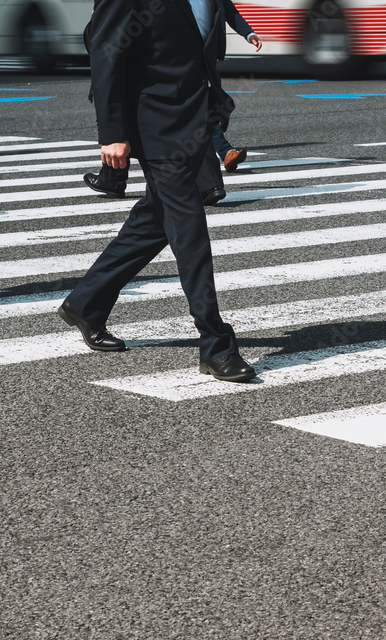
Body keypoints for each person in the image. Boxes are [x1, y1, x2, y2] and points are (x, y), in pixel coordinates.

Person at [60, 0, 256, 383]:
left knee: (155, 218)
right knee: (190, 229)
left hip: (197, 117)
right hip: (155, 125)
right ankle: (216, 343)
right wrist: (112, 134)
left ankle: (86, 302)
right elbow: (105, 51)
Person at [83, 0, 261, 205]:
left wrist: (247, 32)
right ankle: (208, 184)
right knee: (193, 130)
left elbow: (226, 9)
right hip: (161, 71)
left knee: (191, 129)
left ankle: (115, 178)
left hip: (171, 73)